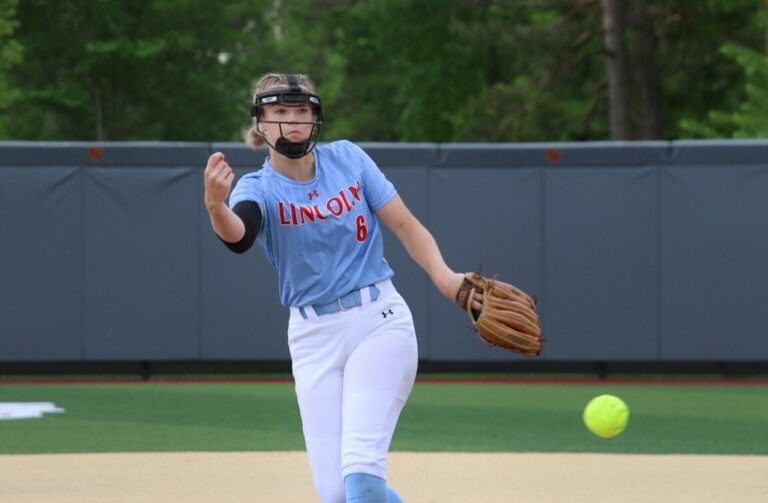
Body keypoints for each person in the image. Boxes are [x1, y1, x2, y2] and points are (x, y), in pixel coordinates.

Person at [203, 73, 480, 503]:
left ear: (315, 117)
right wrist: (216, 207)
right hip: (313, 338)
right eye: (279, 112)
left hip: (378, 321)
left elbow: (405, 225)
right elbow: (239, 236)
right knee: (336, 495)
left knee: (362, 478)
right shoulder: (257, 188)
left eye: (302, 110)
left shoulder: (348, 159)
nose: (292, 120)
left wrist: (445, 278)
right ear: (260, 123)